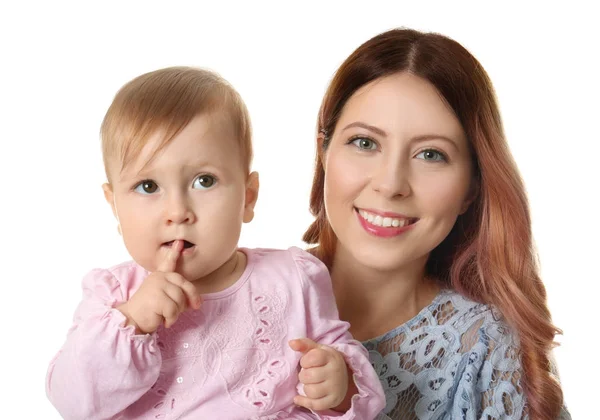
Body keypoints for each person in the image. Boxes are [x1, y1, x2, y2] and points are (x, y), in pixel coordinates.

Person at [45, 66, 385, 420]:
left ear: (247, 198)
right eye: (148, 186)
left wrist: (339, 383)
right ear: (114, 205)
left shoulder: (295, 277)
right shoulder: (114, 295)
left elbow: (354, 384)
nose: (177, 212)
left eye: (204, 181)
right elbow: (72, 402)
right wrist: (133, 321)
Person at [303, 28, 570, 420]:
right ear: (324, 149)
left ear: (471, 188)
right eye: (364, 143)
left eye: (431, 154)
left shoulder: (488, 349)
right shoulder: (248, 291)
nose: (390, 184)